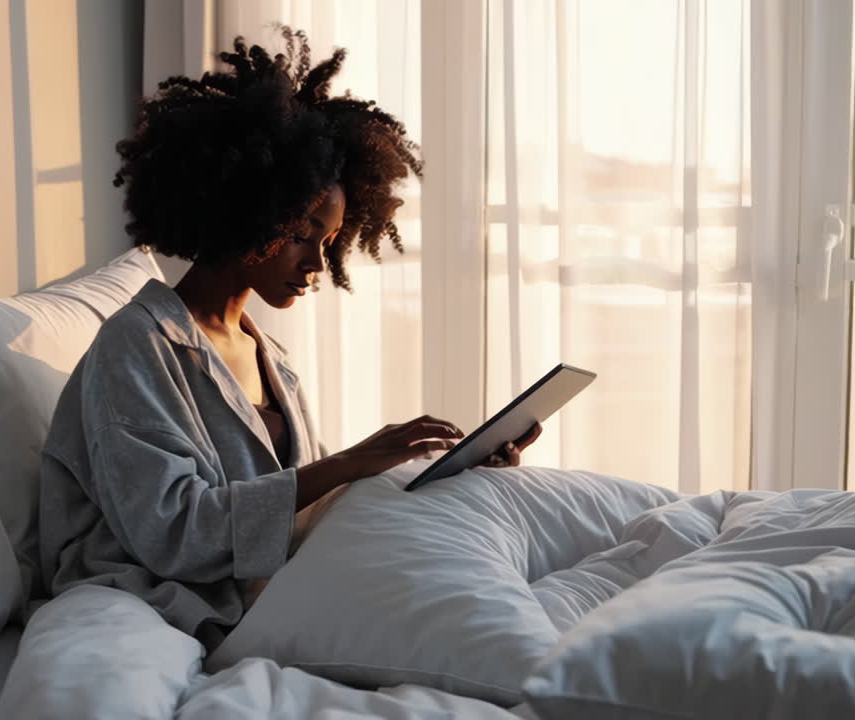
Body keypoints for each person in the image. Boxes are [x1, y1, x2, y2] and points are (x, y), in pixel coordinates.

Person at [36, 29, 541, 650]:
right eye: (304, 234)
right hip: (162, 601)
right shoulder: (135, 347)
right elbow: (173, 534)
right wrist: (352, 461)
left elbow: (305, 514)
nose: (317, 264)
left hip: (275, 587)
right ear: (244, 208)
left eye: (330, 242)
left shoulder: (269, 357)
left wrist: (449, 474)